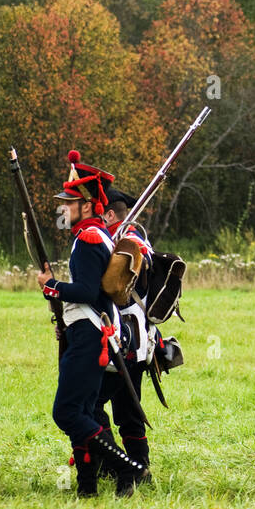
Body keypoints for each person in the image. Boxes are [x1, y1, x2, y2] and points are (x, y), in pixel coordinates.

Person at [37, 150, 148, 498]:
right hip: (92, 331)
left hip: (89, 334)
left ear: (87, 205)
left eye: (70, 203)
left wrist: (50, 286)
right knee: (82, 412)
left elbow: (86, 291)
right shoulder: (96, 234)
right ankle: (87, 488)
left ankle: (125, 468)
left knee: (66, 412)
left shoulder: (87, 238)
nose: (63, 209)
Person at [92, 186, 154, 474]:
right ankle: (127, 465)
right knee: (115, 408)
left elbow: (120, 289)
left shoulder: (130, 242)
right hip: (121, 337)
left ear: (109, 213)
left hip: (127, 338)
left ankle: (127, 467)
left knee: (98, 407)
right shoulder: (114, 240)